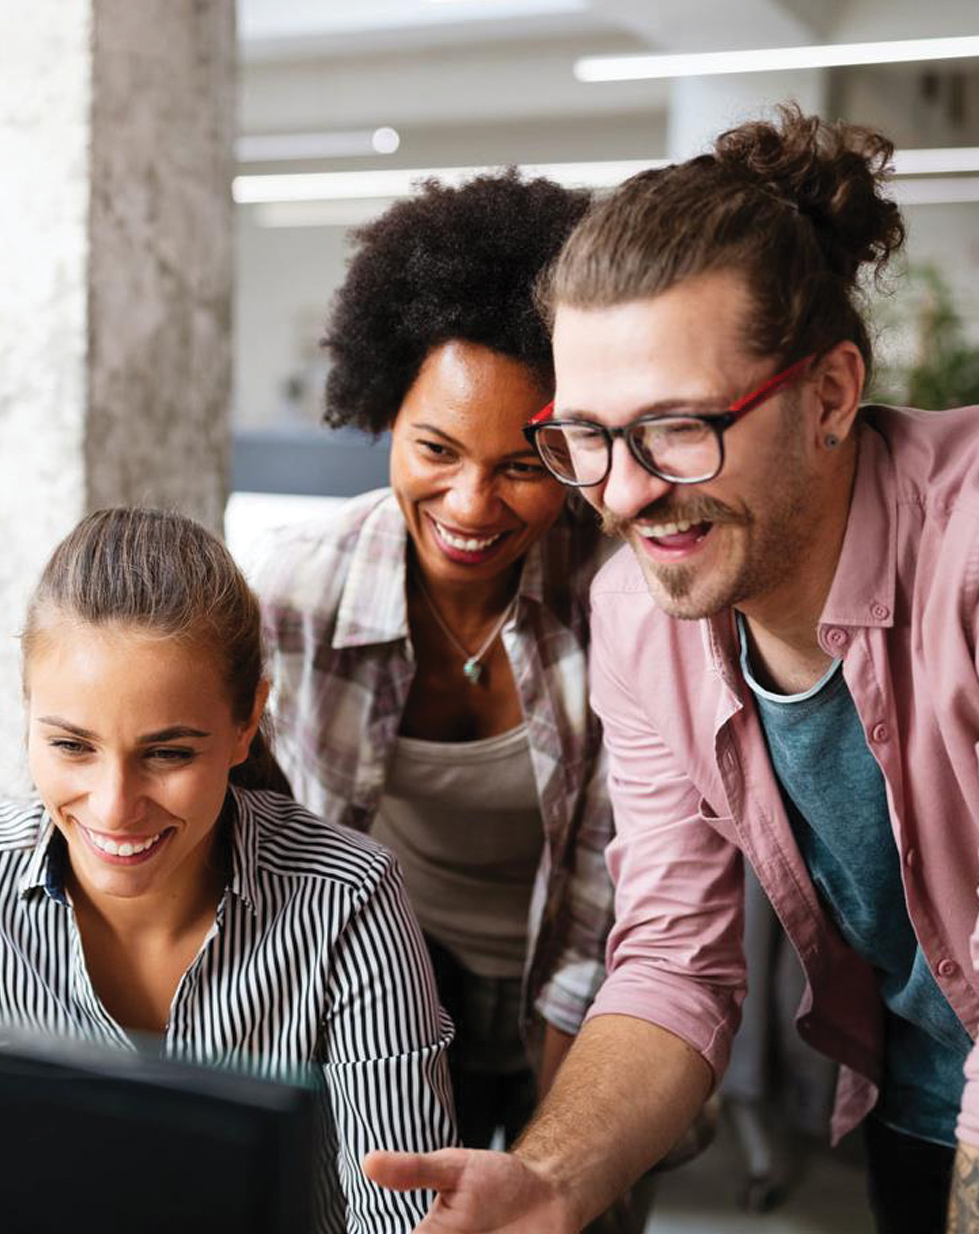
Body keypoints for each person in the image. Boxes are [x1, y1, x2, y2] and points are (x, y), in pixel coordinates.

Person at [364, 106, 979, 1234]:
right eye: (583, 437)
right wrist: (556, 1178)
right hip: (933, 1095)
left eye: (676, 428)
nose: (621, 495)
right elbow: (674, 955)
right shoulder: (643, 609)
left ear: (829, 394)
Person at [0, 507, 457, 1234]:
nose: (115, 808)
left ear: (247, 722)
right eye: (71, 746)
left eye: (168, 753)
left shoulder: (348, 900)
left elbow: (403, 1215)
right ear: (28, 717)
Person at [252, 170, 622, 1160]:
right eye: (436, 449)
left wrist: (561, 1159)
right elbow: (284, 846)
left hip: (595, 985)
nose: (468, 504)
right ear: (382, 412)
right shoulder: (299, 594)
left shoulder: (623, 604)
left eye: (522, 463)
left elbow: (606, 903)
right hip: (400, 971)